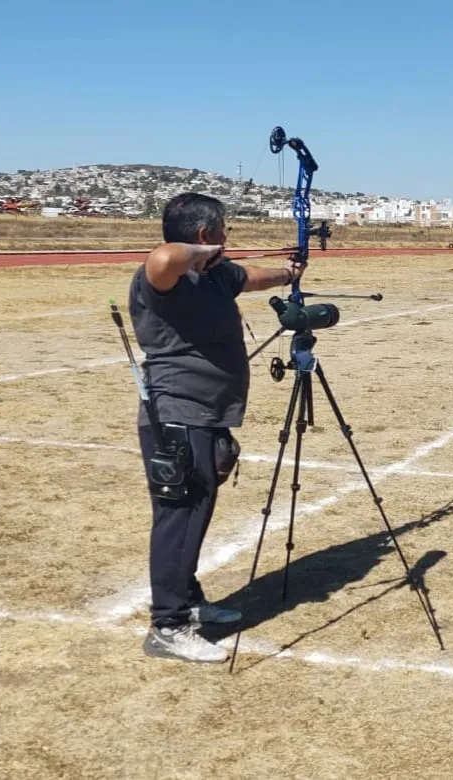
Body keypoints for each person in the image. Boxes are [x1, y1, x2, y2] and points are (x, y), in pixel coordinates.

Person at [128, 192, 304, 664]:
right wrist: (206, 253)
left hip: (207, 412)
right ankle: (168, 625)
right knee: (180, 516)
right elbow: (166, 254)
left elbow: (249, 277)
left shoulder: (215, 276)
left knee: (195, 510)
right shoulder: (163, 277)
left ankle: (190, 601)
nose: (229, 238)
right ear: (206, 235)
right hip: (176, 415)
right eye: (222, 230)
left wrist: (290, 272)